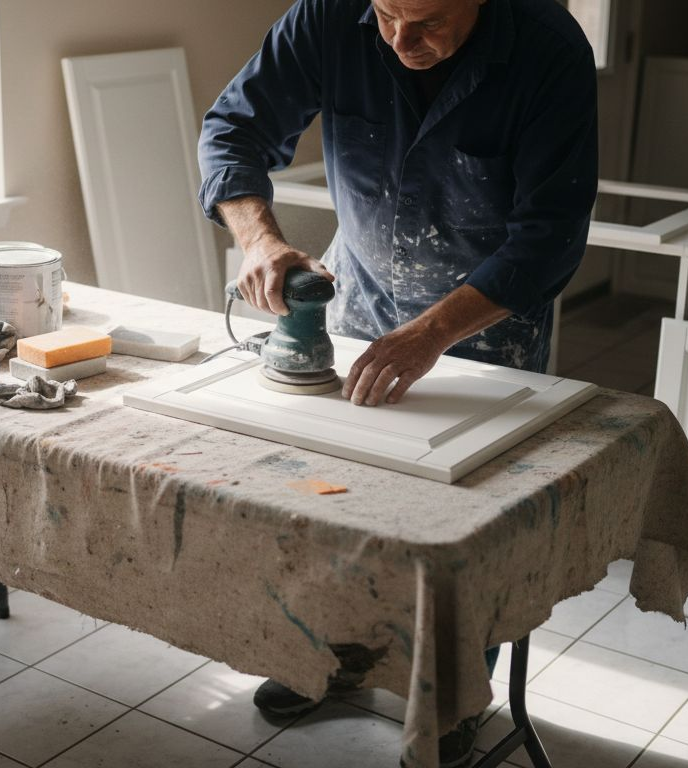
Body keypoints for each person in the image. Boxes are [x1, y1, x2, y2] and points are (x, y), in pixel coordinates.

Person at [197, 0, 597, 762]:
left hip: (486, 328)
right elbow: (233, 129)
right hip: (362, 297)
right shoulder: (328, 14)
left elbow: (551, 236)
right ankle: (326, 656)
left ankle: (454, 698)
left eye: (428, 21)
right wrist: (258, 238)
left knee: (464, 532)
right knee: (335, 500)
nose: (400, 39)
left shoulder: (548, 49)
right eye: (385, 15)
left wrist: (434, 333)